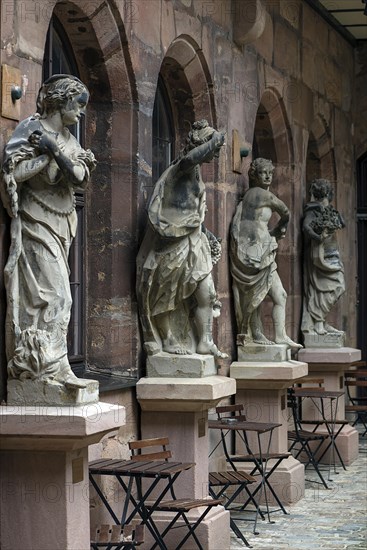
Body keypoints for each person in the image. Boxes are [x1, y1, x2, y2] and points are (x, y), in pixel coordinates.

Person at [1, 74, 96, 388]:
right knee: (55, 296)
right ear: (63, 101)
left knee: (60, 298)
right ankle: (41, 369)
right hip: (36, 222)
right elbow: (14, 173)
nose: (81, 113)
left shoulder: (68, 139)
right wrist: (44, 155)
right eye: (78, 106)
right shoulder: (31, 129)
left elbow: (81, 176)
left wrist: (55, 150)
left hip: (62, 223)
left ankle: (56, 366)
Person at [136, 119, 227, 357]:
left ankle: (205, 340)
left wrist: (206, 233)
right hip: (172, 240)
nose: (216, 154)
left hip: (194, 241)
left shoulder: (195, 173)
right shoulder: (182, 166)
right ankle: (166, 339)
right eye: (214, 149)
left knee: (206, 292)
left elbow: (193, 208)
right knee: (166, 294)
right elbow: (189, 159)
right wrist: (216, 140)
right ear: (202, 145)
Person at [230, 157, 301, 348]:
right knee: (266, 295)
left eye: (270, 172)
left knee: (275, 295)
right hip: (257, 254)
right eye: (263, 172)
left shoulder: (248, 196)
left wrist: (273, 233)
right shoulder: (260, 194)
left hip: (257, 250)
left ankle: (276, 335)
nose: (268, 176)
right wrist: (280, 228)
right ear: (254, 175)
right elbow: (285, 211)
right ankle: (263, 334)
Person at [301, 178, 345, 336]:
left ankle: (322, 320)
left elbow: (342, 222)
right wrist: (319, 236)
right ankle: (318, 322)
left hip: (332, 252)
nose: (325, 193)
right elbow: (307, 227)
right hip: (319, 254)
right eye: (323, 190)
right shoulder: (312, 210)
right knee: (320, 288)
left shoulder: (329, 209)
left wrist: (334, 219)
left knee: (339, 286)